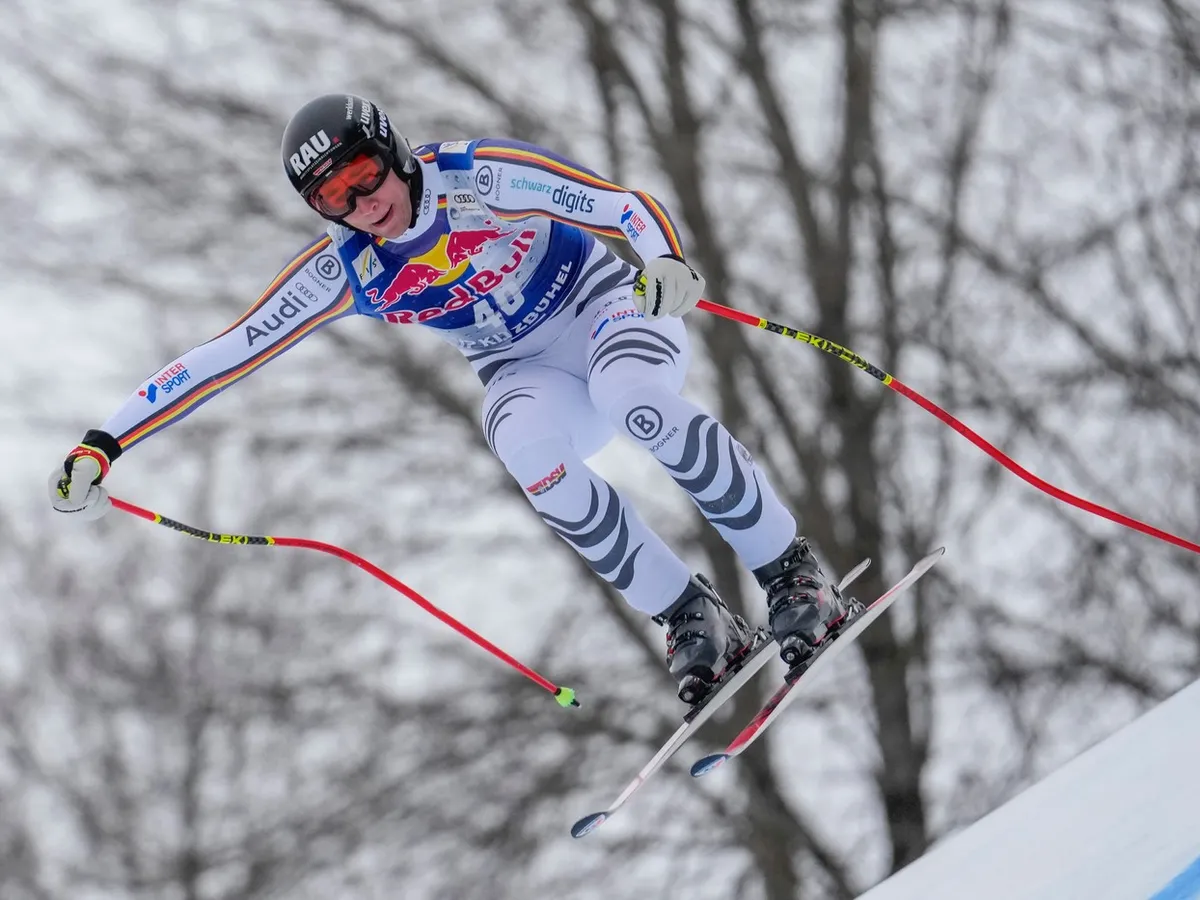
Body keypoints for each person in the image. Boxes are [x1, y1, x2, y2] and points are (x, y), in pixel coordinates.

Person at [49, 93, 848, 704]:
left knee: (634, 396)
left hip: (602, 307)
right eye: (336, 200)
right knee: (528, 451)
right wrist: (102, 443)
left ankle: (792, 574)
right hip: (516, 364)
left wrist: (663, 257)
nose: (364, 206)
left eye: (364, 177)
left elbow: (616, 205)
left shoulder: (479, 176)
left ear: (391, 152)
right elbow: (225, 353)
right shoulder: (347, 269)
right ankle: (689, 616)